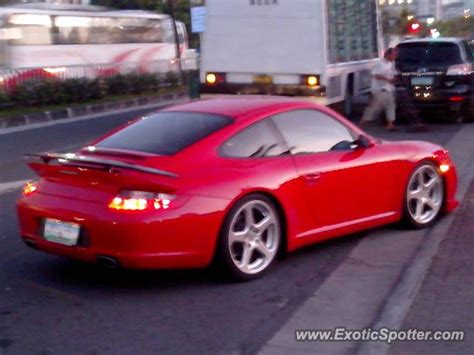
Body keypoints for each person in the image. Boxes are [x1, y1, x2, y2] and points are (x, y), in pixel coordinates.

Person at [360, 48, 398, 131]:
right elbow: (376, 75)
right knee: (374, 107)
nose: (395, 57)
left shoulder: (392, 63)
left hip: (388, 88)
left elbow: (394, 73)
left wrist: (394, 79)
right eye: (394, 55)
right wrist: (388, 79)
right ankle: (363, 122)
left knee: (391, 106)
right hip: (379, 89)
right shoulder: (380, 63)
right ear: (388, 54)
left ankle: (390, 124)